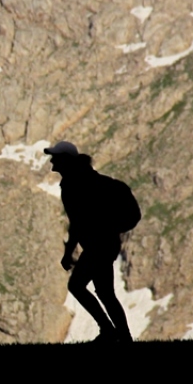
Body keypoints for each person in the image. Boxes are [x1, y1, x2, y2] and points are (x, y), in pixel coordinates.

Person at [44, 141, 140, 343]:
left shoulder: (73, 185)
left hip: (99, 246)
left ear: (65, 160)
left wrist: (68, 252)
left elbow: (77, 222)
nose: (52, 161)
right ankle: (123, 337)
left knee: (77, 286)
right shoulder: (88, 179)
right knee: (105, 293)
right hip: (107, 244)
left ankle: (109, 330)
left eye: (55, 157)